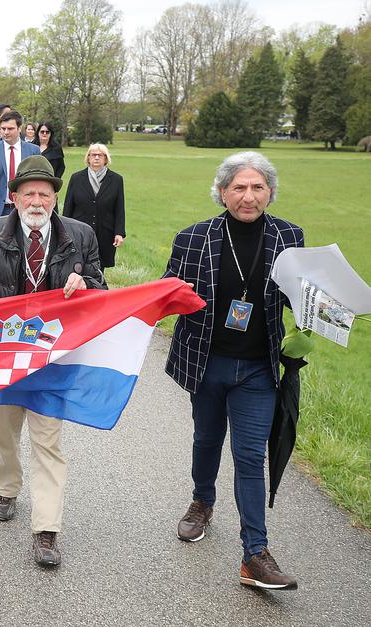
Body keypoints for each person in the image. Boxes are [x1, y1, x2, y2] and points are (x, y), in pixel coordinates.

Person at [0, 155, 106, 567]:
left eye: (45, 193)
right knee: (4, 432)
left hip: (54, 354)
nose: (37, 201)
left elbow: (100, 287)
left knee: (48, 441)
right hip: (3, 351)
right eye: (29, 193)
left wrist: (85, 283)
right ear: (14, 198)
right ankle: (6, 487)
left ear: (55, 197)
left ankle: (47, 529)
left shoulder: (81, 235)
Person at [163, 151, 303, 591]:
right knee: (206, 437)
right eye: (238, 187)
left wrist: (319, 319)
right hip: (207, 363)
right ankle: (202, 501)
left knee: (249, 456)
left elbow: (306, 296)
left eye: (257, 187)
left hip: (259, 369)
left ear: (270, 192)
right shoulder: (193, 238)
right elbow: (168, 289)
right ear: (222, 192)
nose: (248, 196)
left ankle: (254, 554)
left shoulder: (289, 237)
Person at [62, 143, 125, 269]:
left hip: (105, 233)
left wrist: (119, 233)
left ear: (106, 159)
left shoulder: (116, 179)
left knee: (99, 269)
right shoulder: (76, 178)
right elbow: (68, 206)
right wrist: (64, 231)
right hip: (79, 232)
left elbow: (119, 209)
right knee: (77, 265)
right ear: (88, 158)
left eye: (100, 155)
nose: (96, 158)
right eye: (93, 155)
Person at [0, 111, 40, 221]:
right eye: (3, 128)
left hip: (26, 210)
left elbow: (39, 183)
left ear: (19, 128)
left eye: (10, 129)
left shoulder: (33, 150)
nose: (5, 132)